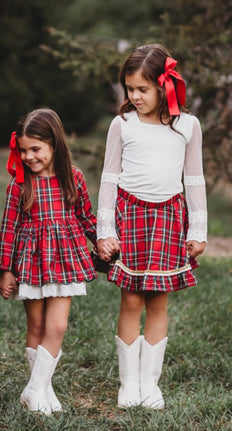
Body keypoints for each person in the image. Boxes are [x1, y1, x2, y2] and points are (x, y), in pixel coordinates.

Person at [97, 44, 207, 410]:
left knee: (158, 300)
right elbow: (109, 178)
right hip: (131, 217)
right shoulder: (122, 124)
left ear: (164, 86)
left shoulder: (187, 126)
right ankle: (128, 384)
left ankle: (150, 384)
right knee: (131, 298)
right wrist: (105, 229)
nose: (135, 96)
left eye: (142, 89)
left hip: (169, 218)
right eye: (130, 89)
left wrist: (198, 230)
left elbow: (194, 179)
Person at [0, 108, 97, 415]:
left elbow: (85, 217)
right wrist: (5, 270)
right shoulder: (20, 184)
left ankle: (36, 388)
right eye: (24, 150)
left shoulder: (73, 178)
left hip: (65, 258)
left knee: (58, 326)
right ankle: (42, 390)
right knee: (37, 325)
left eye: (36, 149)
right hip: (31, 260)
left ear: (55, 144)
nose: (29, 156)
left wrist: (103, 241)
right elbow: (9, 227)